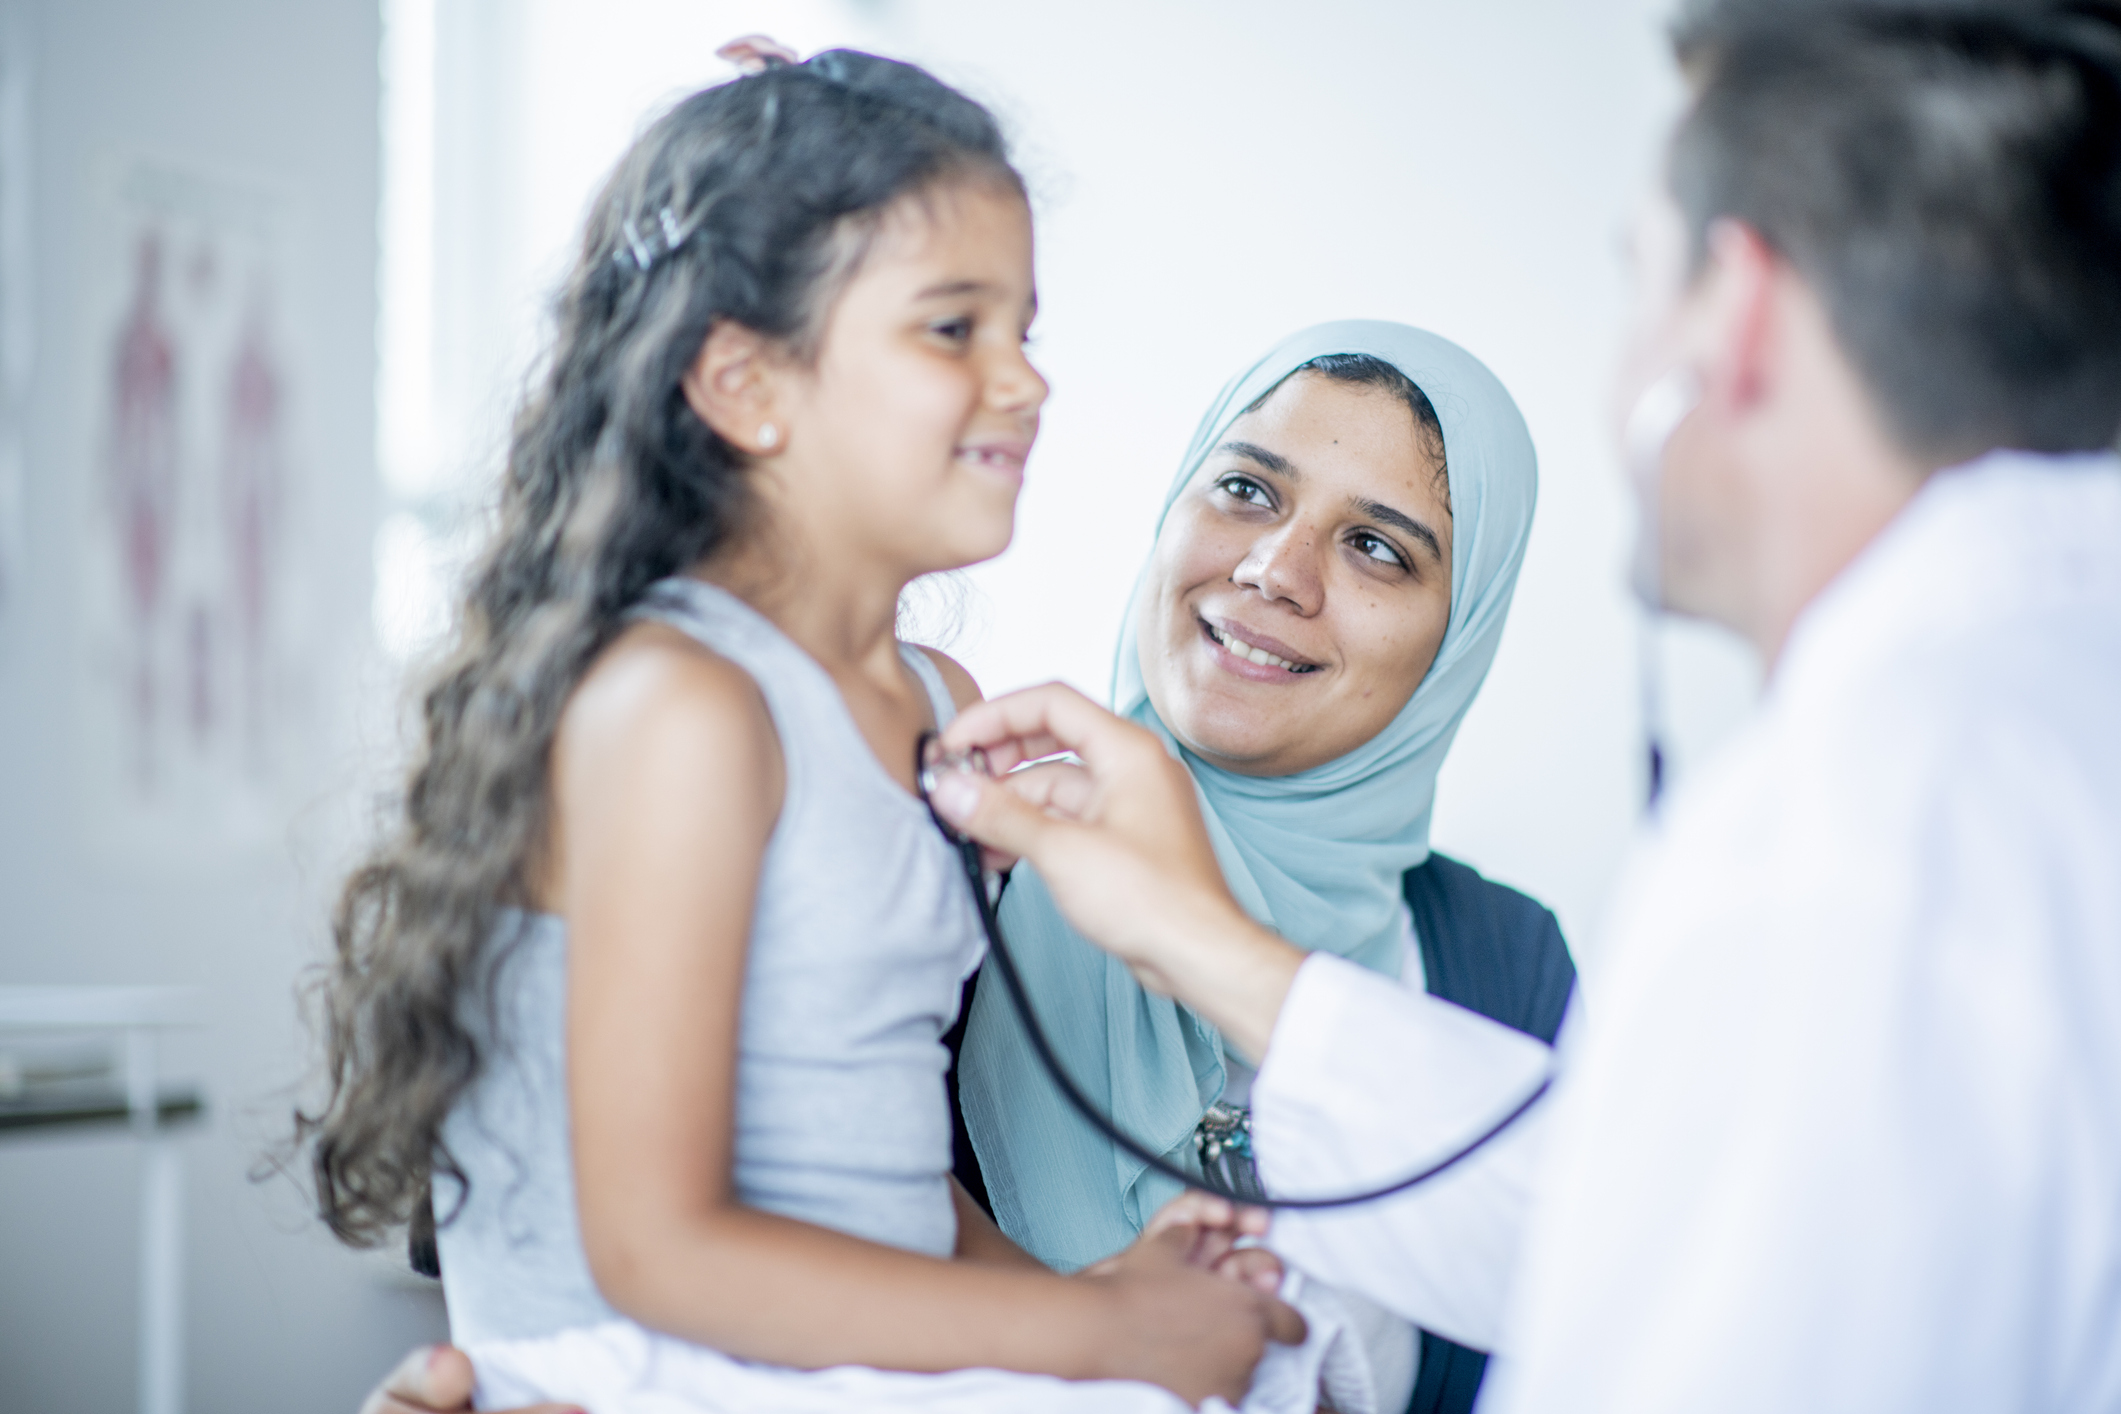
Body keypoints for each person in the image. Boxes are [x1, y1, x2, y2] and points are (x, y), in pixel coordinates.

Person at [923, 1, 2121, 1409]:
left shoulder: (1857, 825)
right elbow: (1597, 1192)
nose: (1276, 572)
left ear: (1730, 316)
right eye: (1245, 485)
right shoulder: (2014, 730)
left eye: (1638, 279)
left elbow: (1629, 1265)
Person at [299, 43, 1306, 1414]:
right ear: (746, 385)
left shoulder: (938, 709)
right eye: (953, 328)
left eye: (1026, 329)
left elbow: (874, 1175)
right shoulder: (685, 706)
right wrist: (1104, 1343)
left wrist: (1086, 1300)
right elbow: (661, 1250)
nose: (1024, 382)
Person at [952, 321, 1569, 1414]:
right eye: (1245, 488)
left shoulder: (1502, 962)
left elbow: (1602, 1301)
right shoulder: (957, 869)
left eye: (1377, 546)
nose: (1274, 570)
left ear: (1457, 639)